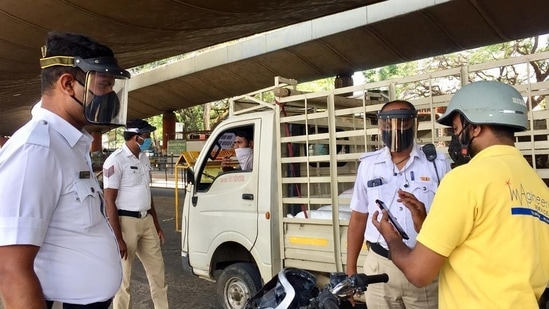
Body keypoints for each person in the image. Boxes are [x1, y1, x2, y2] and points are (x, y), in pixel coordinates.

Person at [371, 81, 549, 308]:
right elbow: (490, 246)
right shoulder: (538, 186)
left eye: (455, 129)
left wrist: (391, 236)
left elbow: (418, 273)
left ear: (474, 127)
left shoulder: (466, 178)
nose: (454, 137)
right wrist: (427, 225)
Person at [0, 31, 130, 308]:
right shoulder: (36, 150)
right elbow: (11, 271)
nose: (109, 96)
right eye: (104, 85)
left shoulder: (69, 143)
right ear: (69, 84)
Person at [346, 100, 451, 308]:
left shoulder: (438, 164)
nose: (394, 129)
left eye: (402, 122)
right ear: (380, 127)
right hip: (379, 266)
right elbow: (358, 218)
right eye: (388, 124)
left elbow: (449, 221)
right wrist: (351, 273)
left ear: (415, 125)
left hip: (423, 265)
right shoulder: (368, 165)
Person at [103, 119, 169, 309]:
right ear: (135, 137)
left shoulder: (144, 158)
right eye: (146, 135)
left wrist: (156, 225)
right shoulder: (115, 160)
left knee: (158, 274)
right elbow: (109, 201)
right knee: (124, 279)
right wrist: (118, 238)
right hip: (125, 223)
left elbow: (147, 193)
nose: (148, 139)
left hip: (146, 220)